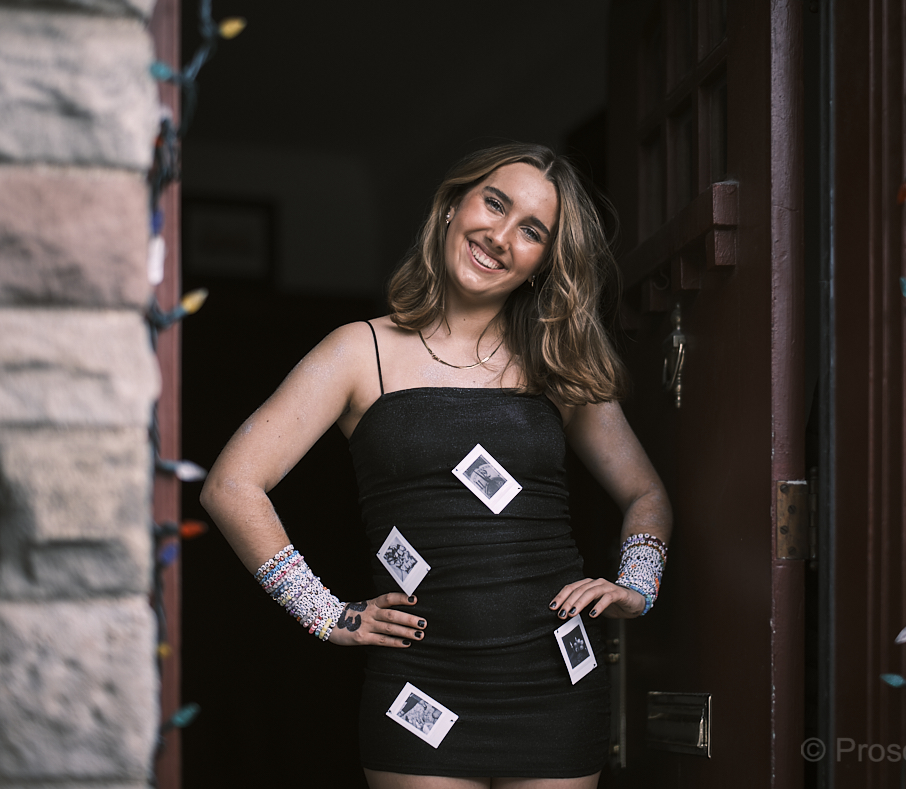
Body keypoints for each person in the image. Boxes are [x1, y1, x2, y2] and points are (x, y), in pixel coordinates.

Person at [200, 143, 672, 789]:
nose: (501, 236)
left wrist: (638, 585)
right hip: (420, 686)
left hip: (555, 687)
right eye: (494, 204)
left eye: (531, 231)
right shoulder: (358, 351)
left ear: (544, 263)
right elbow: (231, 486)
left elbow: (646, 492)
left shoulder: (556, 361)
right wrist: (326, 613)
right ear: (453, 206)